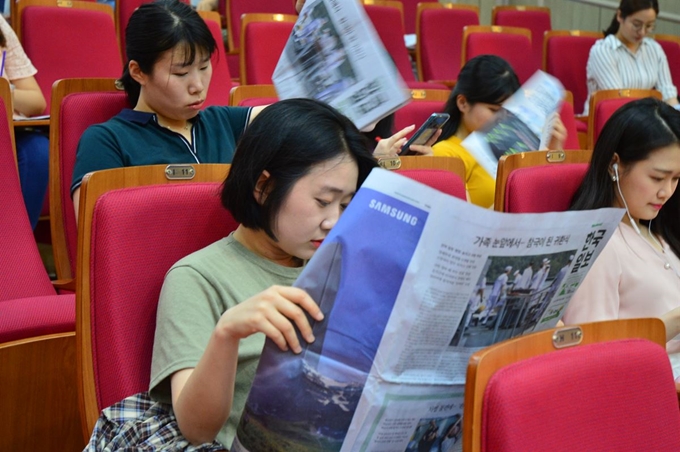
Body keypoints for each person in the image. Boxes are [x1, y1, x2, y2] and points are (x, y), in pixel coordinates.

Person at [140, 98, 377, 449]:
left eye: (345, 204)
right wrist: (228, 334)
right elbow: (196, 430)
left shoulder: (342, 264)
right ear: (264, 187)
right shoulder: (197, 278)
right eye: (323, 201)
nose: (334, 222)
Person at [71, 0, 267, 216]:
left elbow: (295, 117)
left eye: (203, 67)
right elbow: (98, 233)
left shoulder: (224, 122)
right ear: (138, 72)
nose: (198, 86)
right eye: (180, 74)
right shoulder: (107, 140)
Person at [562, 97, 680, 377]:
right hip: (650, 384)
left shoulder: (654, 226)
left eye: (676, 179)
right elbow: (593, 352)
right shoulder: (598, 243)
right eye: (657, 177)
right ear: (614, 165)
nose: (667, 192)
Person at [415, 55, 567, 208]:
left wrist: (554, 152)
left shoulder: (515, 149)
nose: (502, 119)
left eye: (509, 112)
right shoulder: (445, 154)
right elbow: (461, 223)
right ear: (463, 103)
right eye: (494, 110)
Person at [584, 0, 678, 114]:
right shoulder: (603, 51)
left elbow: (667, 92)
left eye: (649, 26)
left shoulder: (654, 49)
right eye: (636, 25)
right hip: (609, 120)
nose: (642, 32)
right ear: (620, 16)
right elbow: (618, 101)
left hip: (643, 118)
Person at [0, 16, 48, 229]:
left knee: (38, 151)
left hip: (8, 127)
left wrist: (5, 90)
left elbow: (36, 101)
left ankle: (17, 247)